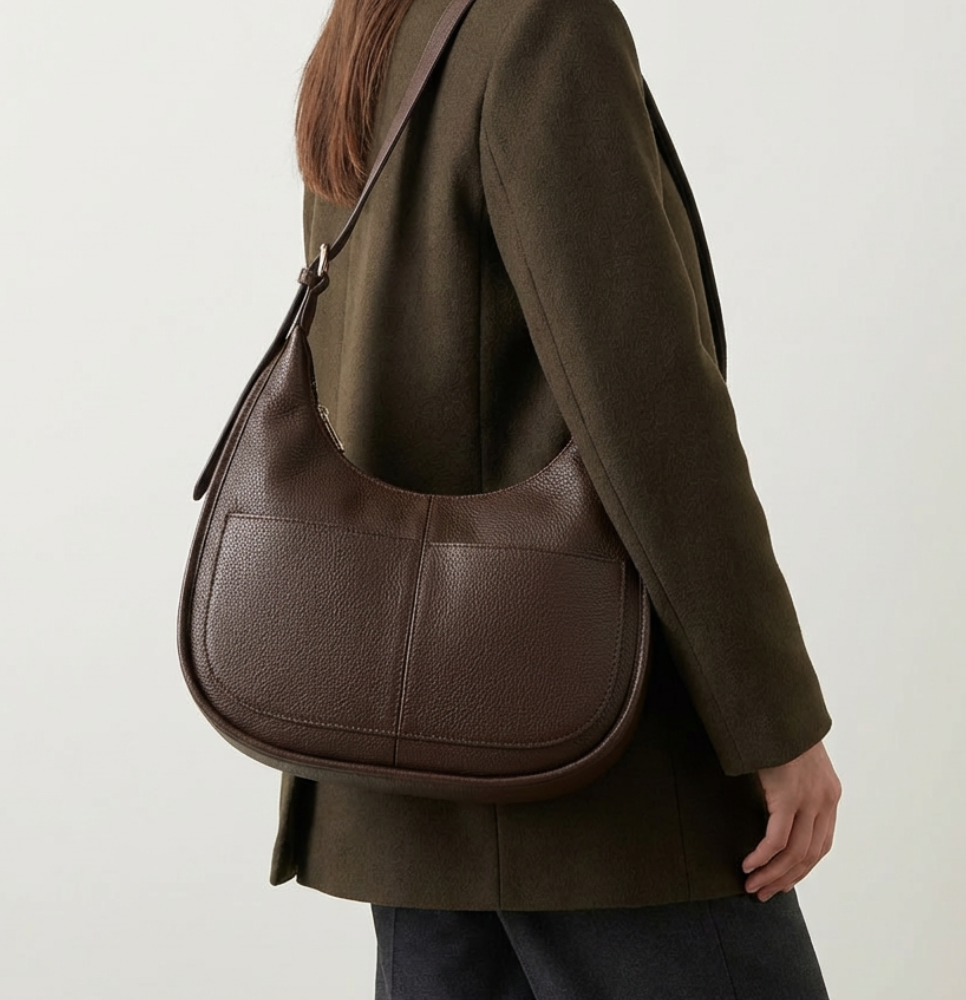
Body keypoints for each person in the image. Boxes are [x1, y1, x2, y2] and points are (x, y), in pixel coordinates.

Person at [271, 0, 842, 996]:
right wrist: (771, 719)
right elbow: (648, 410)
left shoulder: (375, 32)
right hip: (584, 764)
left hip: (409, 764)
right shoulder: (543, 28)